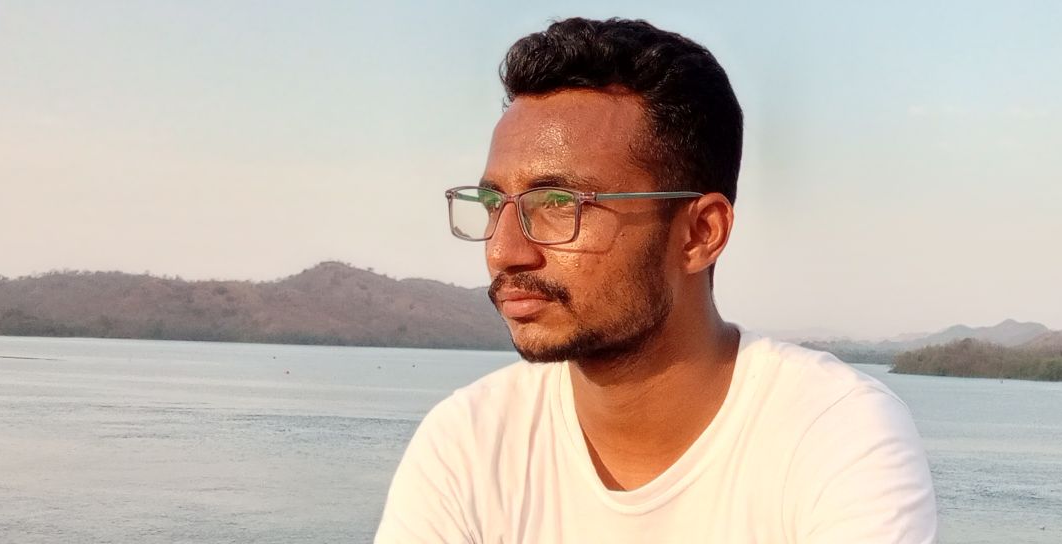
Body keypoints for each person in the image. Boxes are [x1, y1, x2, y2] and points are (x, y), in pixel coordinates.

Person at [374, 17, 936, 544]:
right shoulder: (470, 445)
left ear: (700, 234)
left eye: (559, 204)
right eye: (494, 203)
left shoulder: (832, 434)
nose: (503, 251)